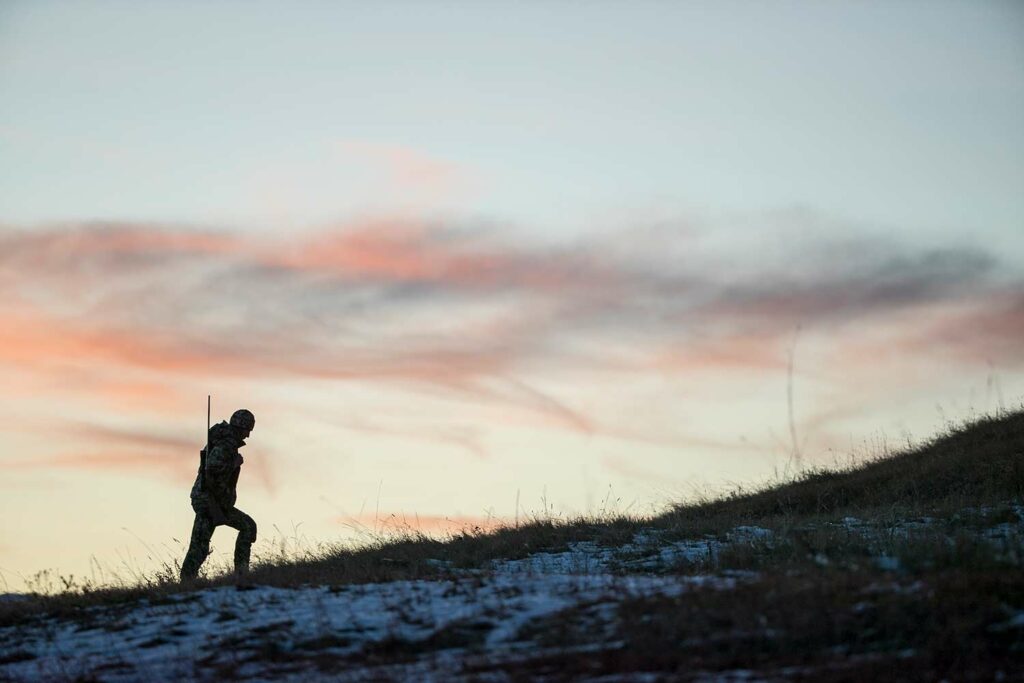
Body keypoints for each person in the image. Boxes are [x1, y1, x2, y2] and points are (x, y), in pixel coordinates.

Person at [180, 409, 257, 581]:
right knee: (247, 527)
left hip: (210, 500)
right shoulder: (226, 445)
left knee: (199, 545)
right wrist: (234, 463)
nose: (248, 436)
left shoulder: (224, 441)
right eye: (247, 430)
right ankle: (241, 574)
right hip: (210, 501)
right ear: (241, 427)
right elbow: (213, 468)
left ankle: (186, 581)